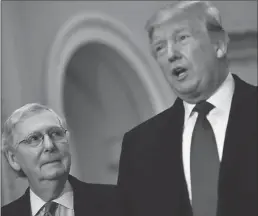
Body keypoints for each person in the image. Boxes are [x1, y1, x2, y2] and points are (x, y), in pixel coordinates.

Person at [117, 1, 257, 216]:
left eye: (181, 38)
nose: (171, 54)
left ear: (219, 45)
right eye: (160, 48)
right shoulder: (138, 146)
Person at [1, 103, 121, 216]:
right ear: (14, 159)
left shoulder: (119, 201)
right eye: (34, 138)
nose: (49, 145)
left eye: (56, 134)